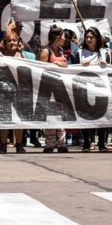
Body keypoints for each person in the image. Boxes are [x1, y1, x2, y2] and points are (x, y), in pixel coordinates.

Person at [71, 27, 111, 152]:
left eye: (91, 37)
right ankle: (87, 143)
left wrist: (106, 65)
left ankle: (101, 143)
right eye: (87, 37)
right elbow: (71, 69)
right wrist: (80, 66)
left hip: (101, 89)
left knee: (102, 118)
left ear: (97, 39)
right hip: (84, 89)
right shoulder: (79, 53)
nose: (89, 39)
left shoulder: (105, 53)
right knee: (86, 117)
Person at [37, 25, 69, 153]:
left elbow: (66, 65)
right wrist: (55, 64)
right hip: (48, 88)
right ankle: (49, 144)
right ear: (57, 37)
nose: (65, 38)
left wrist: (59, 64)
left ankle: (62, 143)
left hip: (60, 87)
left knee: (61, 116)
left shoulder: (60, 50)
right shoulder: (46, 51)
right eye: (63, 36)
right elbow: (41, 68)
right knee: (50, 117)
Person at [0, 33, 28, 154]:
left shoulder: (23, 56)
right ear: (5, 44)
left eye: (14, 40)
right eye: (9, 41)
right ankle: (3, 144)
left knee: (18, 120)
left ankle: (19, 144)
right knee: (4, 119)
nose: (12, 42)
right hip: (4, 91)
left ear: (18, 42)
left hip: (19, 91)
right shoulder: (0, 56)